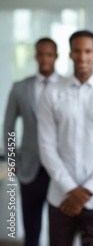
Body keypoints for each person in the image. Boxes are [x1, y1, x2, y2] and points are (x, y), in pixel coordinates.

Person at [37, 30, 93, 246]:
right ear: (70, 54)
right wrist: (71, 189)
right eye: (77, 51)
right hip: (61, 198)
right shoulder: (51, 93)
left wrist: (86, 192)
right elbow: (47, 148)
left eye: (88, 51)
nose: (82, 56)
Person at [3, 38, 60, 246]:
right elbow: (8, 128)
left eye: (49, 54)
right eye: (41, 54)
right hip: (30, 168)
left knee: (60, 229)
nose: (44, 59)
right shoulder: (20, 88)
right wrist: (12, 163)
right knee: (32, 227)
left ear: (56, 56)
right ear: (35, 56)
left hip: (60, 168)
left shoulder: (67, 86)